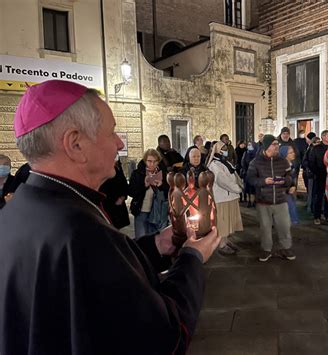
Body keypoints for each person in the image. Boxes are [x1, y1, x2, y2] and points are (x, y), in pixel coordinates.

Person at [0, 80, 221, 355]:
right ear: (75, 144)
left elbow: (88, 278)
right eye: (112, 132)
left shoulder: (18, 208)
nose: (119, 143)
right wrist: (191, 258)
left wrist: (156, 245)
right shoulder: (80, 230)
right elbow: (161, 336)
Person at [247, 135, 295, 262]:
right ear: (267, 146)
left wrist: (285, 181)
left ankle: (286, 248)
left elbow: (290, 177)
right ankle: (266, 249)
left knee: (284, 226)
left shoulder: (283, 161)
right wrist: (264, 181)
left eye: (277, 144)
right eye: (274, 144)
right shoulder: (255, 162)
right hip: (264, 201)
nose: (277, 146)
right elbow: (250, 179)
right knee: (265, 227)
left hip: (280, 199)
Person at [207, 141, 243, 255]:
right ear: (216, 150)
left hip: (230, 197)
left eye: (226, 148)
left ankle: (226, 241)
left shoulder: (225, 162)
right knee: (223, 223)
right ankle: (221, 245)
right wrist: (237, 188)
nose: (225, 150)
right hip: (222, 197)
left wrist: (240, 184)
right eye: (222, 148)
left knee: (229, 222)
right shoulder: (214, 164)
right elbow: (222, 180)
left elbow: (233, 175)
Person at [129, 149, 170, 239]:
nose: (152, 164)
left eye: (155, 162)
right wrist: (144, 185)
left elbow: (168, 192)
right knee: (141, 239)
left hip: (156, 211)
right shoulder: (137, 173)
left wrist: (161, 186)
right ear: (145, 161)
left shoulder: (162, 173)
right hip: (141, 210)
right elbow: (131, 192)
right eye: (149, 161)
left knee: (154, 239)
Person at [307, 130, 328, 225]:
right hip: (320, 175)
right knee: (319, 196)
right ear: (323, 137)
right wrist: (317, 172)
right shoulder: (317, 148)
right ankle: (317, 216)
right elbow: (311, 161)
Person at [99, 157, 130, 229]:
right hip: (107, 205)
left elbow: (124, 183)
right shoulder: (103, 168)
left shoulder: (118, 167)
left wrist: (122, 197)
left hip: (118, 204)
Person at [280, 145, 299, 225]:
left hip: (289, 189)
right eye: (290, 153)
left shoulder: (291, 164)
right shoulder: (282, 166)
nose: (293, 154)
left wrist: (293, 185)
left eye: (293, 152)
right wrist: (289, 187)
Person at [241, 141, 258, 207]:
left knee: (254, 189)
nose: (249, 146)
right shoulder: (246, 153)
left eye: (250, 145)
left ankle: (254, 201)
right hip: (247, 173)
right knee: (248, 189)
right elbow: (243, 162)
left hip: (255, 174)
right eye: (248, 145)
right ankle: (249, 201)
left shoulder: (257, 153)